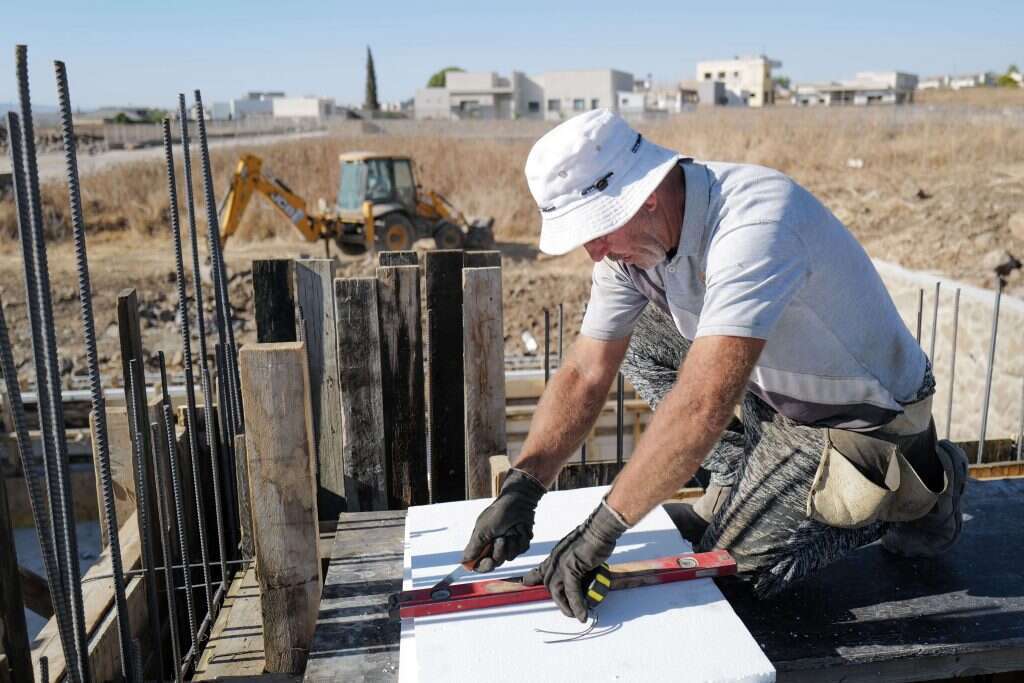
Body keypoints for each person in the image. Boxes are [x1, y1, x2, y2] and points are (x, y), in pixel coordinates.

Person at [460, 109, 968, 623]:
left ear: (645, 195)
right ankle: (736, 473)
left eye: (597, 230)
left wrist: (601, 531)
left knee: (731, 575)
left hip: (858, 421)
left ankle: (917, 488)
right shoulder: (629, 251)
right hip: (772, 388)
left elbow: (702, 404)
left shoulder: (756, 226)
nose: (594, 252)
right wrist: (525, 484)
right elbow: (585, 372)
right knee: (636, 340)